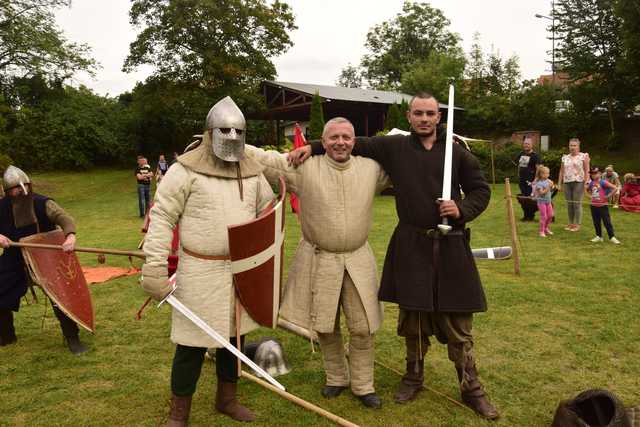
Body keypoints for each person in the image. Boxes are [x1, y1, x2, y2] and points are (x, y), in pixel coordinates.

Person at [290, 92, 498, 420]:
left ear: (438, 118)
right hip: (412, 246)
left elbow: (481, 190)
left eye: (430, 114)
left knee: (458, 322)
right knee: (412, 319)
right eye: (418, 113)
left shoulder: (456, 154)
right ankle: (413, 376)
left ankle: (471, 387)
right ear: (410, 117)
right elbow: (349, 141)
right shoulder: (394, 148)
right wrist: (312, 146)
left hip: (450, 245)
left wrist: (461, 209)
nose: (425, 119)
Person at [141, 96, 274, 425]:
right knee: (191, 344)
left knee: (235, 339)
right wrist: (155, 269)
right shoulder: (183, 170)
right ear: (210, 131)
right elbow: (161, 220)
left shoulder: (252, 172)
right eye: (224, 130)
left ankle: (227, 399)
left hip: (240, 270)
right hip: (199, 270)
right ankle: (178, 413)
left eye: (237, 131)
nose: (231, 136)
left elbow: (268, 214)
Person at [244, 117, 389, 409]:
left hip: (358, 259)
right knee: (325, 326)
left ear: (354, 140)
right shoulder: (304, 168)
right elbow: (264, 160)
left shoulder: (371, 169)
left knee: (362, 327)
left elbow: (406, 160)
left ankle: (363, 385)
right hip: (319, 258)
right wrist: (223, 136)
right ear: (322, 143)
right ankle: (336, 378)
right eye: (333, 137)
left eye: (346, 137)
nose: (340, 142)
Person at [0, 166, 88, 353]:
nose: (18, 191)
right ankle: (6, 336)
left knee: (59, 295)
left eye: (21, 187)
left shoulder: (42, 203)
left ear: (28, 185)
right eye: (13, 189)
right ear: (7, 191)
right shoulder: (3, 206)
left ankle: (72, 338)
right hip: (15, 257)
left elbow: (64, 218)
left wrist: (70, 236)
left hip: (44, 255)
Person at [557, 138, 590, 232]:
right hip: (567, 182)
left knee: (577, 203)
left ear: (578, 146)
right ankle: (571, 223)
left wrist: (586, 182)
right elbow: (561, 171)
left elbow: (587, 170)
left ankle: (577, 224)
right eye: (571, 145)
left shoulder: (584, 156)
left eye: (574, 145)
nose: (572, 147)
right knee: (569, 204)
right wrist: (559, 183)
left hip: (579, 182)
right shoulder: (565, 157)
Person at [587, 167, 621, 244]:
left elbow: (615, 188)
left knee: (607, 222)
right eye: (592, 174)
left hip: (603, 206)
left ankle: (612, 237)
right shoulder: (591, 183)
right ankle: (599, 236)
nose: (593, 175)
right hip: (593, 206)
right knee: (596, 222)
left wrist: (608, 196)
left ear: (599, 174)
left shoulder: (603, 182)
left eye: (595, 173)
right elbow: (587, 190)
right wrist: (589, 196)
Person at [515, 136, 541, 221]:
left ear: (532, 145)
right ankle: (526, 215)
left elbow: (538, 169)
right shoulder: (521, 154)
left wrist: (535, 180)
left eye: (528, 144)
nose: (526, 145)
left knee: (530, 199)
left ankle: (531, 216)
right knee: (524, 198)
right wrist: (518, 174)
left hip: (531, 181)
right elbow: (519, 165)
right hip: (522, 180)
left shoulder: (535, 156)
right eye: (525, 143)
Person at [533, 166, 554, 238]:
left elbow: (551, 190)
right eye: (546, 173)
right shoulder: (539, 183)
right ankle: (541, 231)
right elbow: (541, 193)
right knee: (544, 216)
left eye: (548, 173)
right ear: (541, 174)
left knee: (550, 215)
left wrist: (552, 186)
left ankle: (546, 228)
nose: (548, 175)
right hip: (541, 202)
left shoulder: (548, 181)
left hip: (548, 201)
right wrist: (549, 187)